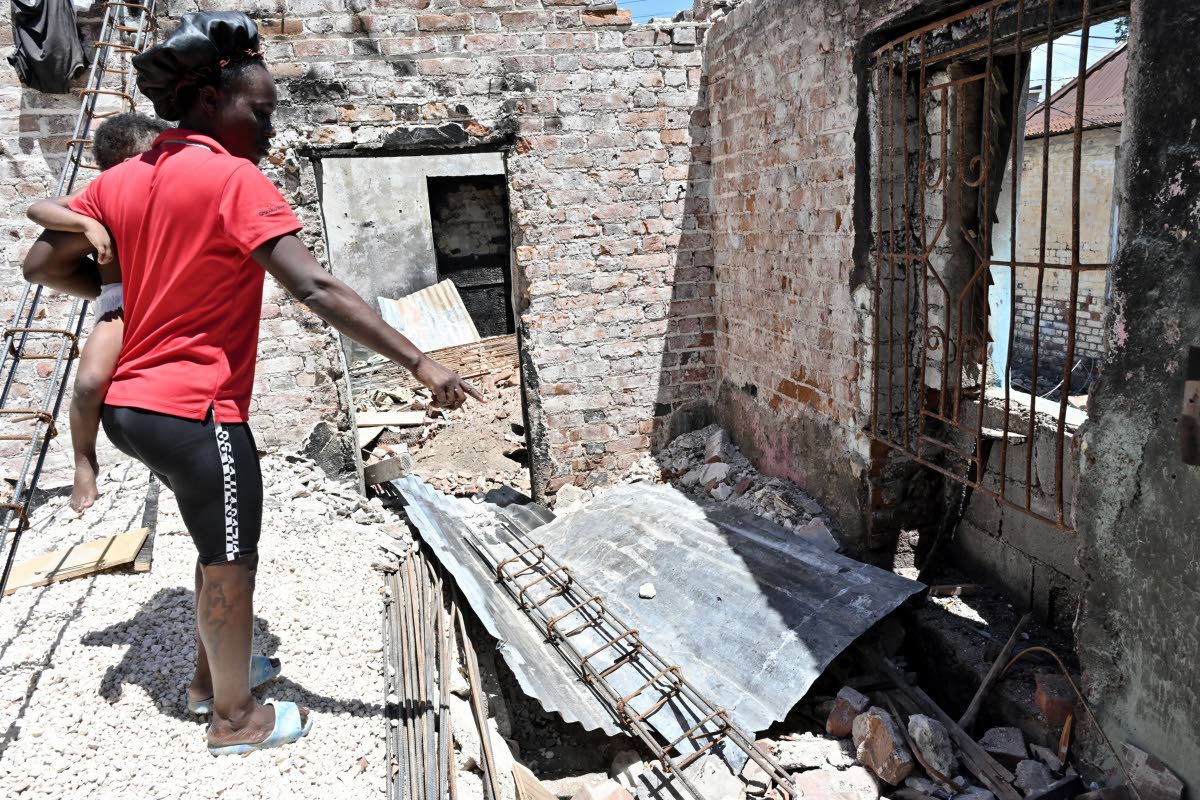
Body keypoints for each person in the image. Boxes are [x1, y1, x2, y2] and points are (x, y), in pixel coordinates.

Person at [21, 10, 482, 755]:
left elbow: (41, 265)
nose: (269, 132)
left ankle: (213, 678)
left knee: (212, 543)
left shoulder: (121, 179)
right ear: (211, 104)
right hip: (197, 408)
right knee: (233, 558)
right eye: (259, 114)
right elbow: (319, 290)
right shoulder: (235, 179)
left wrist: (127, 279)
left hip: (129, 411)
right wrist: (421, 362)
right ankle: (234, 721)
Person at [26, 112, 167, 513]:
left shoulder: (171, 190)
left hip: (165, 299)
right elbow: (39, 209)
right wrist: (85, 224)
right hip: (119, 302)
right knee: (89, 384)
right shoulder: (104, 194)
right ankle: (84, 461)